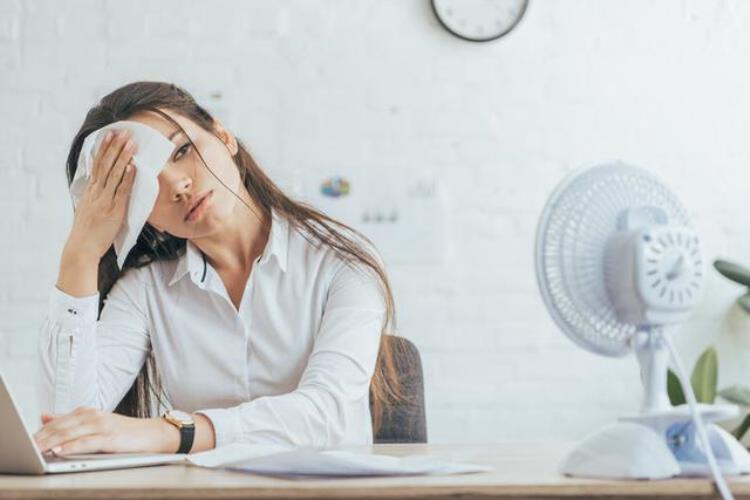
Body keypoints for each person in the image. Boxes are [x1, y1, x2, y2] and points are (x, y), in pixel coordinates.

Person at [34, 81, 402, 456]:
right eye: (146, 185)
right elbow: (65, 427)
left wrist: (174, 433)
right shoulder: (145, 290)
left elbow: (328, 415)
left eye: (181, 151)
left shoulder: (341, 261)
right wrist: (81, 252)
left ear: (223, 135)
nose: (177, 185)